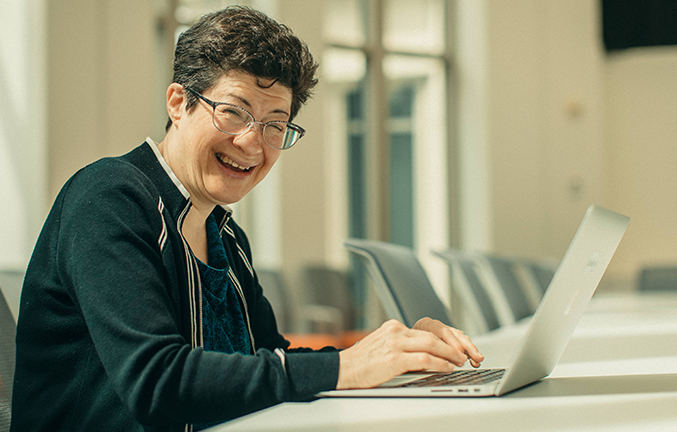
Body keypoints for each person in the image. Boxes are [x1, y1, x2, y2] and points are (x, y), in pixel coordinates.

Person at [10, 6, 483, 431]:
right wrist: (348, 367)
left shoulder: (225, 235)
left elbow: (269, 362)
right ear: (179, 103)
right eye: (233, 112)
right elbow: (155, 382)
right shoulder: (110, 197)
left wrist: (393, 356)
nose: (252, 144)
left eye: (275, 125)